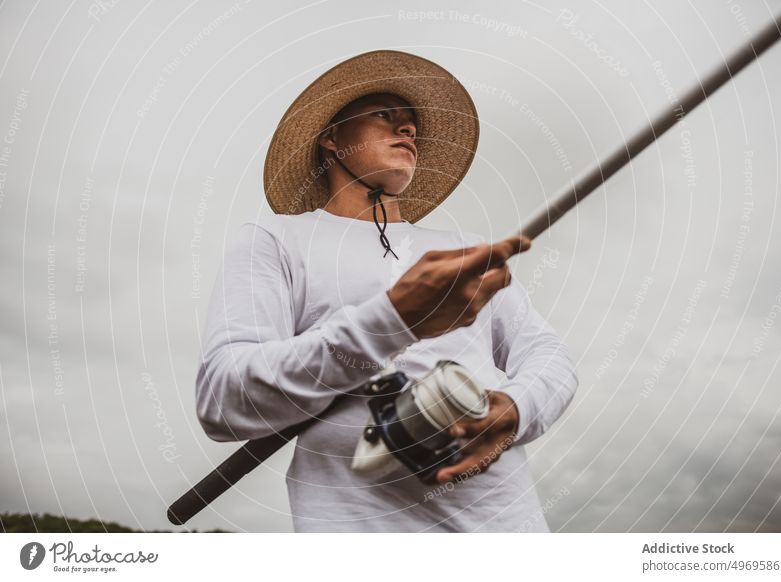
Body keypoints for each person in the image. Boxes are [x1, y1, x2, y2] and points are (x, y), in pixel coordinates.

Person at [195, 50, 579, 532]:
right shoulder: (276, 240)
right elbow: (223, 399)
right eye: (385, 115)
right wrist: (391, 321)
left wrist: (518, 408)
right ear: (331, 139)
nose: (409, 130)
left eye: (412, 124)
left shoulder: (461, 250)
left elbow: (547, 353)